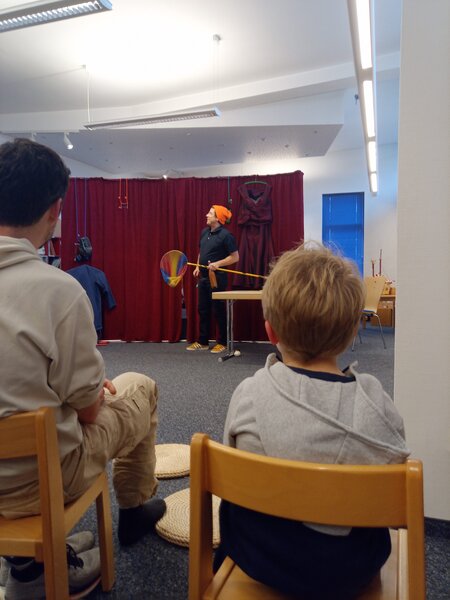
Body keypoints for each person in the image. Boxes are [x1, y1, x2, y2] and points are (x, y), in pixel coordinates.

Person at [0, 139, 166, 599]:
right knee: (140, 387)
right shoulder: (60, 290)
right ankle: (133, 512)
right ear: (55, 210)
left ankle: (27, 566)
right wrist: (89, 389)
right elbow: (90, 412)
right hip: (43, 482)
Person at [214, 242, 409, 600]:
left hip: (260, 557)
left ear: (270, 332)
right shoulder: (378, 403)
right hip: (354, 569)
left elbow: (232, 481)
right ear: (351, 334)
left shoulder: (249, 394)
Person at [186, 205, 238, 353]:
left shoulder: (226, 236)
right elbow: (201, 252)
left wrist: (218, 264)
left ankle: (222, 342)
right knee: (203, 309)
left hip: (217, 278)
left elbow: (235, 257)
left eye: (210, 213)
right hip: (203, 278)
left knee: (218, 310)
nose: (206, 215)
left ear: (218, 218)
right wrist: (197, 266)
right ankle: (203, 342)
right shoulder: (204, 232)